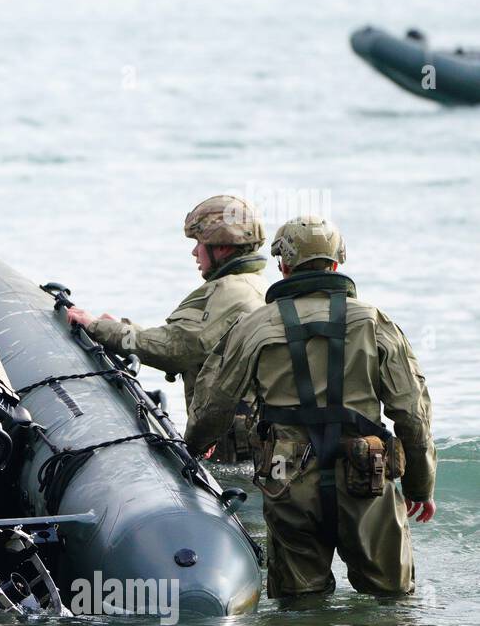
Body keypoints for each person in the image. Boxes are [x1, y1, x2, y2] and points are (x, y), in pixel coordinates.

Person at [185, 216, 436, 599]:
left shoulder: (255, 325)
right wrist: (420, 484)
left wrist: (196, 445)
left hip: (288, 479)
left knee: (299, 605)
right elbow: (412, 414)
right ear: (337, 264)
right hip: (365, 477)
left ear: (283, 266)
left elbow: (214, 399)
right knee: (391, 602)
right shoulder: (373, 321)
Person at [65, 194, 269, 461]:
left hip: (234, 445)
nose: (195, 252)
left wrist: (98, 328)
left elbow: (177, 348)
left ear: (222, 247)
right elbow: (190, 338)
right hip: (252, 435)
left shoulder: (231, 291)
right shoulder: (255, 285)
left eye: (200, 243)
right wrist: (122, 328)